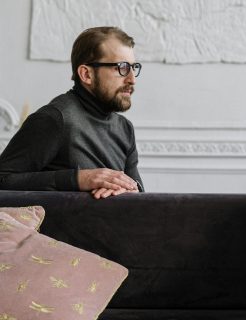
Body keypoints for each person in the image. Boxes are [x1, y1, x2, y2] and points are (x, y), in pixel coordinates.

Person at [0, 26, 143, 199]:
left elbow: (138, 193)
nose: (132, 79)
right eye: (122, 67)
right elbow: (3, 179)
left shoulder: (125, 128)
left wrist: (131, 190)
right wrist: (79, 178)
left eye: (133, 67)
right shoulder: (54, 119)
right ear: (86, 74)